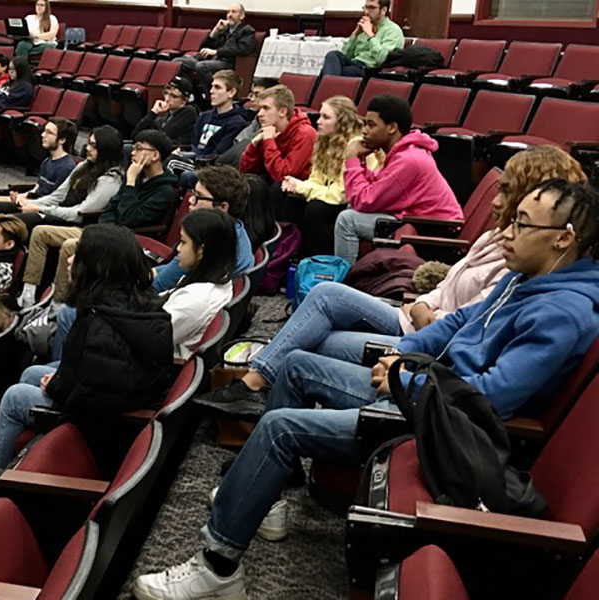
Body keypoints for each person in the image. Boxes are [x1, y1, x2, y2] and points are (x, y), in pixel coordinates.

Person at [132, 179, 599, 600]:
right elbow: (456, 323)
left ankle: (217, 566)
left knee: (279, 428)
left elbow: (492, 399)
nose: (506, 233)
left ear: (563, 238)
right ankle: (268, 496)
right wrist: (403, 354)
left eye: (522, 223)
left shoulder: (563, 312)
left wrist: (405, 379)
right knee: (295, 365)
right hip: (427, 389)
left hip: (445, 426)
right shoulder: (526, 279)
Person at [199, 145, 590, 413]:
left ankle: (257, 385)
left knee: (321, 322)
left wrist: (422, 316)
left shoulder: (522, 261)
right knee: (323, 297)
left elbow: (471, 329)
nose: (496, 200)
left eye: (506, 190)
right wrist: (426, 302)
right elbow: (454, 288)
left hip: (429, 349)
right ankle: (260, 381)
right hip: (422, 323)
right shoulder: (500, 236)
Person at [0, 224, 173, 472]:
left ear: (97, 266)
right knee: (32, 374)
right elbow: (95, 373)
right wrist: (59, 382)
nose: (71, 260)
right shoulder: (136, 299)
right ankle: (22, 457)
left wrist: (57, 387)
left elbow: (93, 401)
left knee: (14, 397)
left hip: (107, 428)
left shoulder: (104, 327)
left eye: (79, 254)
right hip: (121, 397)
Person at [335, 94, 463, 264]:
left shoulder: (409, 159)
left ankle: (344, 281)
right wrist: (360, 162)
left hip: (432, 230)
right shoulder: (403, 152)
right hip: (412, 219)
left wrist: (351, 159)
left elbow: (365, 200)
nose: (364, 131)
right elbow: (375, 187)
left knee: (347, 220)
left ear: (392, 128)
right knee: (351, 207)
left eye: (371, 125)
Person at [18, 126, 125, 306]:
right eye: (88, 143)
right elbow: (59, 195)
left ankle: (53, 302)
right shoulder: (84, 165)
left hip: (83, 225)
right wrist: (34, 204)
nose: (87, 148)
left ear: (106, 150)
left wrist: (41, 210)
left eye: (93, 146)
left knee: (30, 226)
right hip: (61, 214)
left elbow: (80, 213)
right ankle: (26, 292)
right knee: (11, 215)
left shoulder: (110, 179)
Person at [281, 96, 381, 255]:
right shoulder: (324, 141)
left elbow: (341, 194)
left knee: (315, 210)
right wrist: (299, 187)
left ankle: (318, 261)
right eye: (320, 115)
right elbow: (316, 180)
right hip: (335, 195)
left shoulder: (357, 146)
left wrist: (302, 187)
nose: (318, 121)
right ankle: (288, 257)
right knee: (291, 199)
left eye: (326, 117)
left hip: (354, 202)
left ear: (341, 123)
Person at [154, 165, 254, 292]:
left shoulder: (206, 245)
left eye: (198, 196)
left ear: (222, 207)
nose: (190, 200)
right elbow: (171, 269)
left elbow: (158, 286)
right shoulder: (237, 229)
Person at [163, 209, 236, 360]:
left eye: (183, 242)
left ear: (202, 250)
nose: (178, 248)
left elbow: (151, 340)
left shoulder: (194, 300)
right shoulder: (220, 279)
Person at [238, 84, 316, 222]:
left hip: (299, 191)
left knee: (277, 188)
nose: (260, 114)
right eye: (260, 108)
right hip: (278, 185)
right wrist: (254, 145)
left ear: (282, 112)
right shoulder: (271, 130)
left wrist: (269, 141)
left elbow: (283, 174)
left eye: (266, 108)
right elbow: (246, 169)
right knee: (249, 182)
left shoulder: (305, 134)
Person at [0, 117, 78, 212]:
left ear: (62, 140)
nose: (43, 135)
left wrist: (27, 202)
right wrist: (22, 196)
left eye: (49, 133)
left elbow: (56, 200)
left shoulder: (66, 167)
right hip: (31, 201)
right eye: (44, 131)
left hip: (40, 209)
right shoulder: (47, 161)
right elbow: (37, 188)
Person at [168, 70, 248, 188]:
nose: (211, 91)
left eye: (217, 87)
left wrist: (188, 156)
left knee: (173, 166)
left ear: (231, 92)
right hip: (194, 159)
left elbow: (218, 155)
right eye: (211, 87)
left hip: (211, 168)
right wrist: (182, 154)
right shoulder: (204, 116)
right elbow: (194, 145)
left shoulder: (236, 122)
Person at [174, 3, 255, 85]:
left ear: (241, 16)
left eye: (233, 12)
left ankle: (212, 93)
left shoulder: (247, 30)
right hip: (213, 60)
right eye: (228, 12)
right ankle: (196, 94)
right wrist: (215, 30)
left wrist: (217, 52)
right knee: (178, 62)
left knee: (201, 66)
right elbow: (203, 47)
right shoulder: (224, 29)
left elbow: (242, 48)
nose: (229, 15)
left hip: (229, 62)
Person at [320, 0, 404, 78]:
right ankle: (328, 87)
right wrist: (355, 34)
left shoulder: (393, 30)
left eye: (371, 8)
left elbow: (382, 59)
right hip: (354, 63)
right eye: (365, 7)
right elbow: (346, 55)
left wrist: (370, 35)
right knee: (333, 55)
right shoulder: (364, 26)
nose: (366, 12)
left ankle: (327, 88)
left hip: (370, 69)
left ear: (383, 10)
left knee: (330, 72)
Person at [217, 77, 278, 166]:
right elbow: (238, 142)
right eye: (252, 94)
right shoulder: (256, 120)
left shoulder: (277, 124)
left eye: (257, 95)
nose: (252, 99)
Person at [131, 75, 198, 147]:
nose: (167, 99)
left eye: (174, 96)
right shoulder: (165, 117)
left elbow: (165, 135)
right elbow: (135, 135)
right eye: (166, 93)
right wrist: (153, 112)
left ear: (184, 100)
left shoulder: (189, 112)